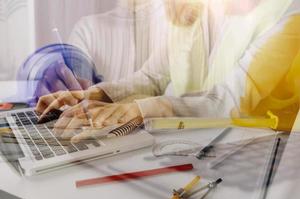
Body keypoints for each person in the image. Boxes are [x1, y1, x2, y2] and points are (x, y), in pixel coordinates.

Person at [36, 0, 300, 142]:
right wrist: (95, 96)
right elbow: (152, 76)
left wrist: (140, 110)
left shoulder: (288, 13)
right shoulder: (194, 9)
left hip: (260, 155)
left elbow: (230, 102)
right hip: (188, 147)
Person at [34, 0, 169, 97]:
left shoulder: (180, 29)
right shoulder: (87, 29)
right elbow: (72, 87)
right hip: (96, 132)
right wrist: (58, 84)